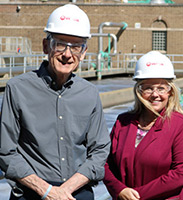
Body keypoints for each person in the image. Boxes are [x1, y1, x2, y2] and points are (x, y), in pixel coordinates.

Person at [0, 4, 111, 200]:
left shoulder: (90, 94)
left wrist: (65, 190)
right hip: (31, 192)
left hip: (77, 192)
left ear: (83, 52)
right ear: (45, 46)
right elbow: (6, 151)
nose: (67, 55)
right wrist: (47, 191)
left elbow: (100, 151)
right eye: (60, 44)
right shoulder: (17, 89)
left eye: (76, 47)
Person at [103, 51, 183, 200]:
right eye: (148, 88)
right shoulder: (123, 122)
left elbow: (180, 174)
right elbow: (106, 162)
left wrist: (137, 196)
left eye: (161, 88)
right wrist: (119, 190)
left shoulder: (182, 126)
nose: (155, 94)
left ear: (170, 92)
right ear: (139, 91)